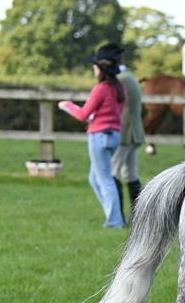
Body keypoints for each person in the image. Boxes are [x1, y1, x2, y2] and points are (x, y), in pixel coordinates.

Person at [58, 48, 127, 228]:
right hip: (114, 136)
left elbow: (82, 115)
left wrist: (68, 105)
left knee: (105, 180)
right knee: (94, 179)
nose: (93, 69)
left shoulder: (101, 88)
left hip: (99, 136)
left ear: (101, 70)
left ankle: (114, 221)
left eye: (95, 66)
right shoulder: (120, 88)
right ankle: (112, 215)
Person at [100, 43, 145, 220]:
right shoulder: (130, 76)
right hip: (134, 130)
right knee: (131, 174)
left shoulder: (120, 79)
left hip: (124, 130)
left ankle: (117, 216)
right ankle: (139, 216)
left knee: (113, 172)